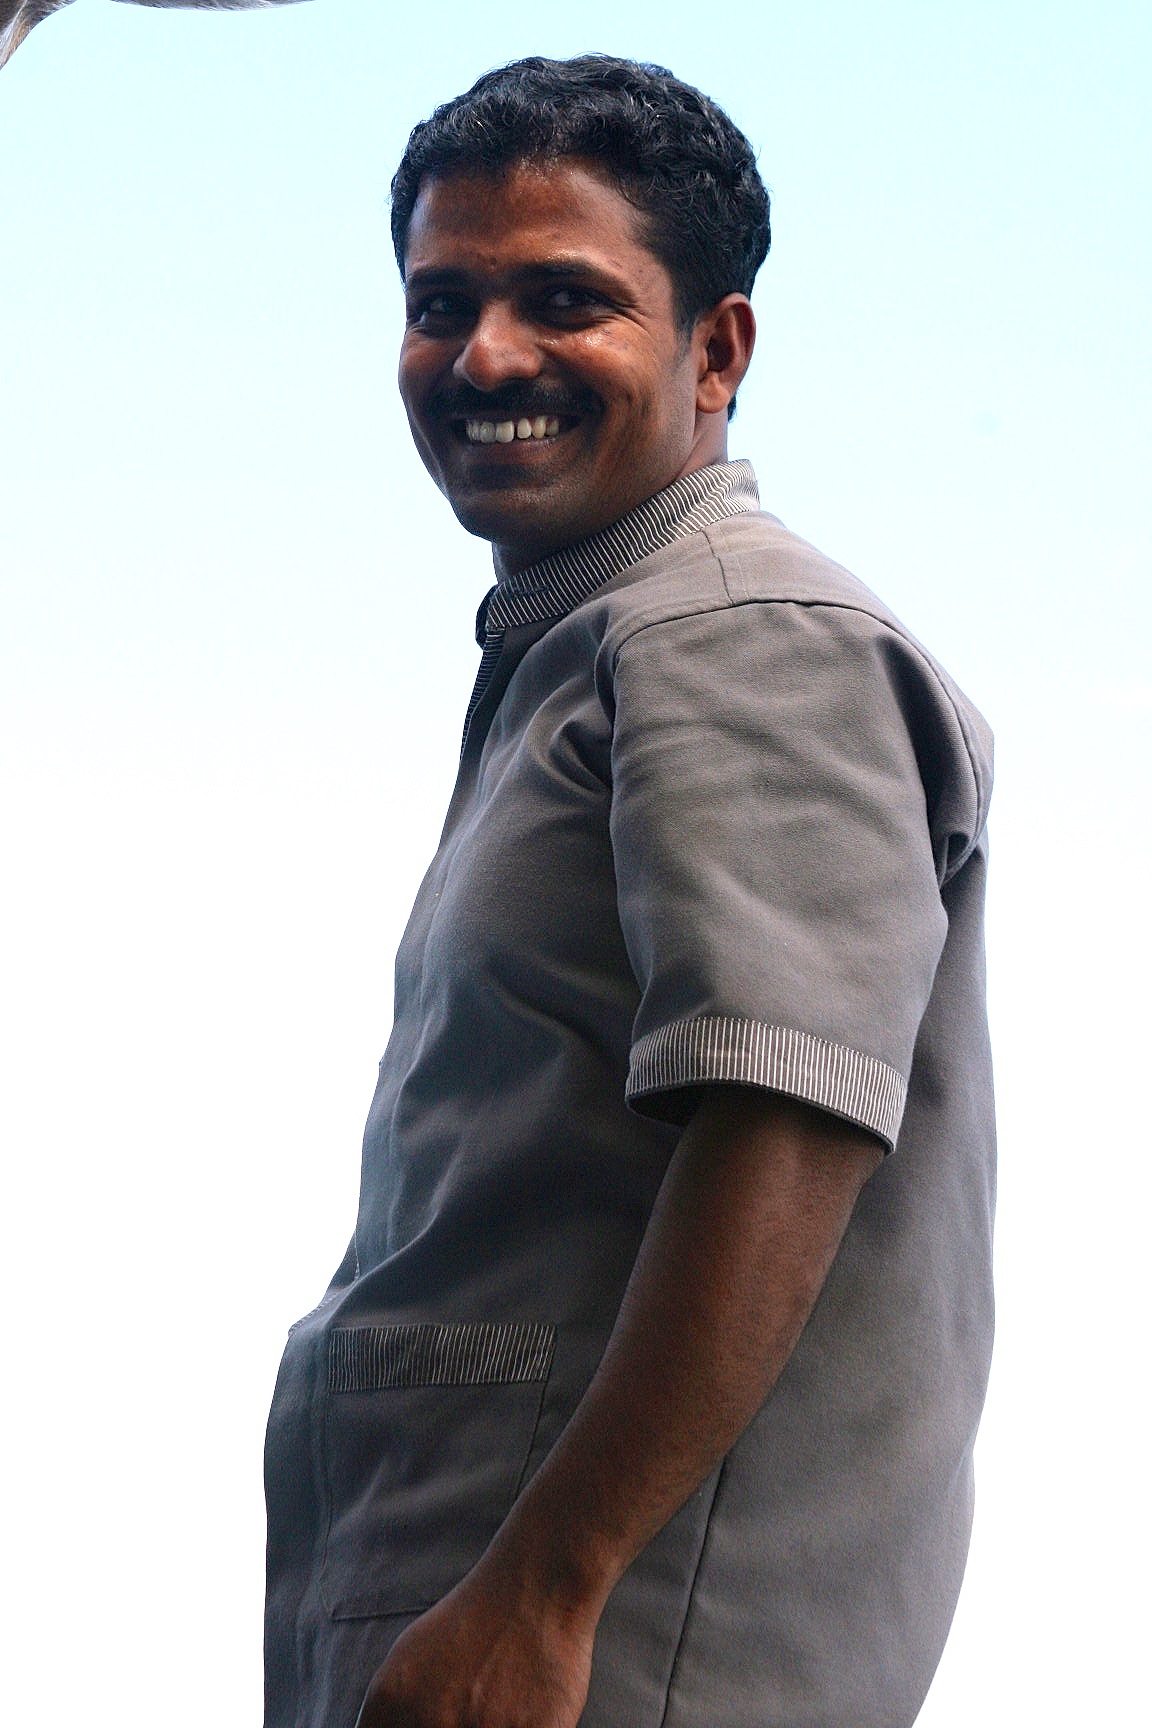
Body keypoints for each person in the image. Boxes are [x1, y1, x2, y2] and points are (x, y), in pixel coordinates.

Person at [263, 54, 996, 1728]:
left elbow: (788, 1117)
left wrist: (547, 1588)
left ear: (716, 349)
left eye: (564, 300)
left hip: (618, 1660)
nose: (485, 356)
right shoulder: (592, 653)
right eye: (441, 301)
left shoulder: (737, 636)